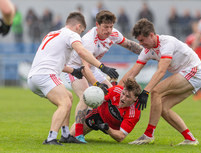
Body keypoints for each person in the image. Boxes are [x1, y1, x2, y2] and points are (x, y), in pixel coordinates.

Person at [27, 12, 119, 145]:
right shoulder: (72, 34)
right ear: (78, 26)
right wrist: (102, 67)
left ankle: (65, 135)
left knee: (68, 97)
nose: (80, 35)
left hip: (34, 77)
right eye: (81, 31)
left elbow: (55, 61)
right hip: (45, 75)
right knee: (65, 103)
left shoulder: (52, 34)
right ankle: (51, 138)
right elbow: (82, 52)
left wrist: (73, 71)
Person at [119, 18, 201, 145]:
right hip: (186, 74)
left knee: (155, 92)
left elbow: (161, 71)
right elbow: (133, 72)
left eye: (142, 40)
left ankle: (148, 135)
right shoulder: (147, 50)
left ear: (152, 35)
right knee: (163, 108)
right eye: (139, 41)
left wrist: (146, 91)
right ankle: (190, 139)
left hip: (194, 71)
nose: (141, 44)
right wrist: (118, 88)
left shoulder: (167, 43)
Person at [65, 10, 143, 143]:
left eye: (111, 26)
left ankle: (98, 121)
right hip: (76, 69)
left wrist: (148, 52)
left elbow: (129, 45)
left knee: (111, 92)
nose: (109, 30)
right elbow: (85, 68)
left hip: (93, 68)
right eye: (105, 27)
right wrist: (96, 85)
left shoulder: (113, 34)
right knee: (86, 95)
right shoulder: (89, 40)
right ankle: (78, 135)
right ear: (97, 25)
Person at [74, 78, 142, 142]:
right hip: (98, 114)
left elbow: (121, 137)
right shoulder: (116, 90)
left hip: (110, 127)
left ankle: (112, 80)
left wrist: (107, 128)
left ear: (135, 98)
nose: (123, 98)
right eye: (123, 94)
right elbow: (98, 99)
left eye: (128, 96)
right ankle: (111, 81)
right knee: (72, 136)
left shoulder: (134, 113)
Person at [185, 21, 201, 101]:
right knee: (195, 77)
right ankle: (197, 93)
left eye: (197, 26)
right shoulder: (189, 38)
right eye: (194, 26)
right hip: (194, 60)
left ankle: (200, 92)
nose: (195, 28)